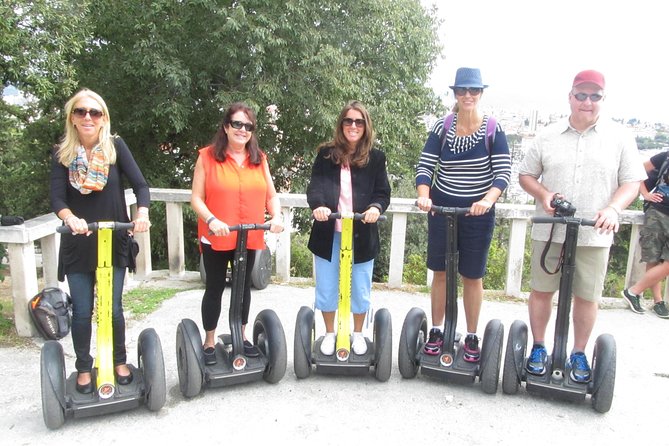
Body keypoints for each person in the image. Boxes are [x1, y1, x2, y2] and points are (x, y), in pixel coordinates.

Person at [519, 69, 646, 383]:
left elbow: (632, 182)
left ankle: (578, 352)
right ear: (570, 97)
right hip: (550, 231)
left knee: (587, 297)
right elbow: (525, 176)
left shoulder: (620, 138)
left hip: (594, 231)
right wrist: (545, 194)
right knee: (541, 291)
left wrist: (614, 208)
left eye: (594, 96)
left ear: (602, 99)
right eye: (581, 95)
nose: (587, 102)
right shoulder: (547, 135)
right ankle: (538, 347)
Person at [50, 88, 151, 394]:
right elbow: (56, 196)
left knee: (113, 308)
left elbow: (141, 185)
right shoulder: (62, 153)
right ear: (72, 117)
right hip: (78, 242)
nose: (88, 117)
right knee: (82, 311)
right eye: (81, 111)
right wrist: (71, 218)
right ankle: (84, 366)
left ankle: (119, 361)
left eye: (95, 112)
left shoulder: (115, 147)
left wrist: (142, 213)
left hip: (113, 239)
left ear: (103, 117)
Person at [415, 67, 511, 362]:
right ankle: (437, 329)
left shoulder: (493, 129)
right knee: (441, 273)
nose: (467, 96)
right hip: (442, 208)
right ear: (455, 94)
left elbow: (503, 173)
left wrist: (487, 200)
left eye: (473, 91)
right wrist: (423, 195)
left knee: (472, 275)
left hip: (477, 212)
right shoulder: (441, 127)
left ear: (481, 94)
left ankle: (471, 335)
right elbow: (425, 166)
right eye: (461, 91)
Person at [190, 102, 283, 364]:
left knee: (243, 289)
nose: (243, 130)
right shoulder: (207, 156)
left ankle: (240, 336)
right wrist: (211, 219)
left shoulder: (259, 158)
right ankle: (209, 341)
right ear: (226, 127)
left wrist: (276, 216)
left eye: (248, 126)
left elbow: (271, 195)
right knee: (215, 287)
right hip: (217, 234)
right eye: (237, 124)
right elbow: (196, 198)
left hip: (249, 234)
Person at [307, 100, 391, 356]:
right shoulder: (325, 154)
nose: (353, 126)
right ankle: (330, 333)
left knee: (361, 287)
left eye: (358, 122)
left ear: (365, 126)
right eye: (348, 121)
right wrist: (319, 206)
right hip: (328, 231)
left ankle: (357, 333)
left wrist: (375, 208)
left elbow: (382, 192)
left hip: (361, 231)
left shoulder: (376, 158)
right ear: (341, 124)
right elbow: (315, 187)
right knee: (328, 286)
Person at [621, 151, 669, 318]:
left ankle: (633, 291)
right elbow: (638, 170)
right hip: (658, 212)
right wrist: (645, 194)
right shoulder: (666, 156)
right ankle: (658, 301)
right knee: (653, 257)